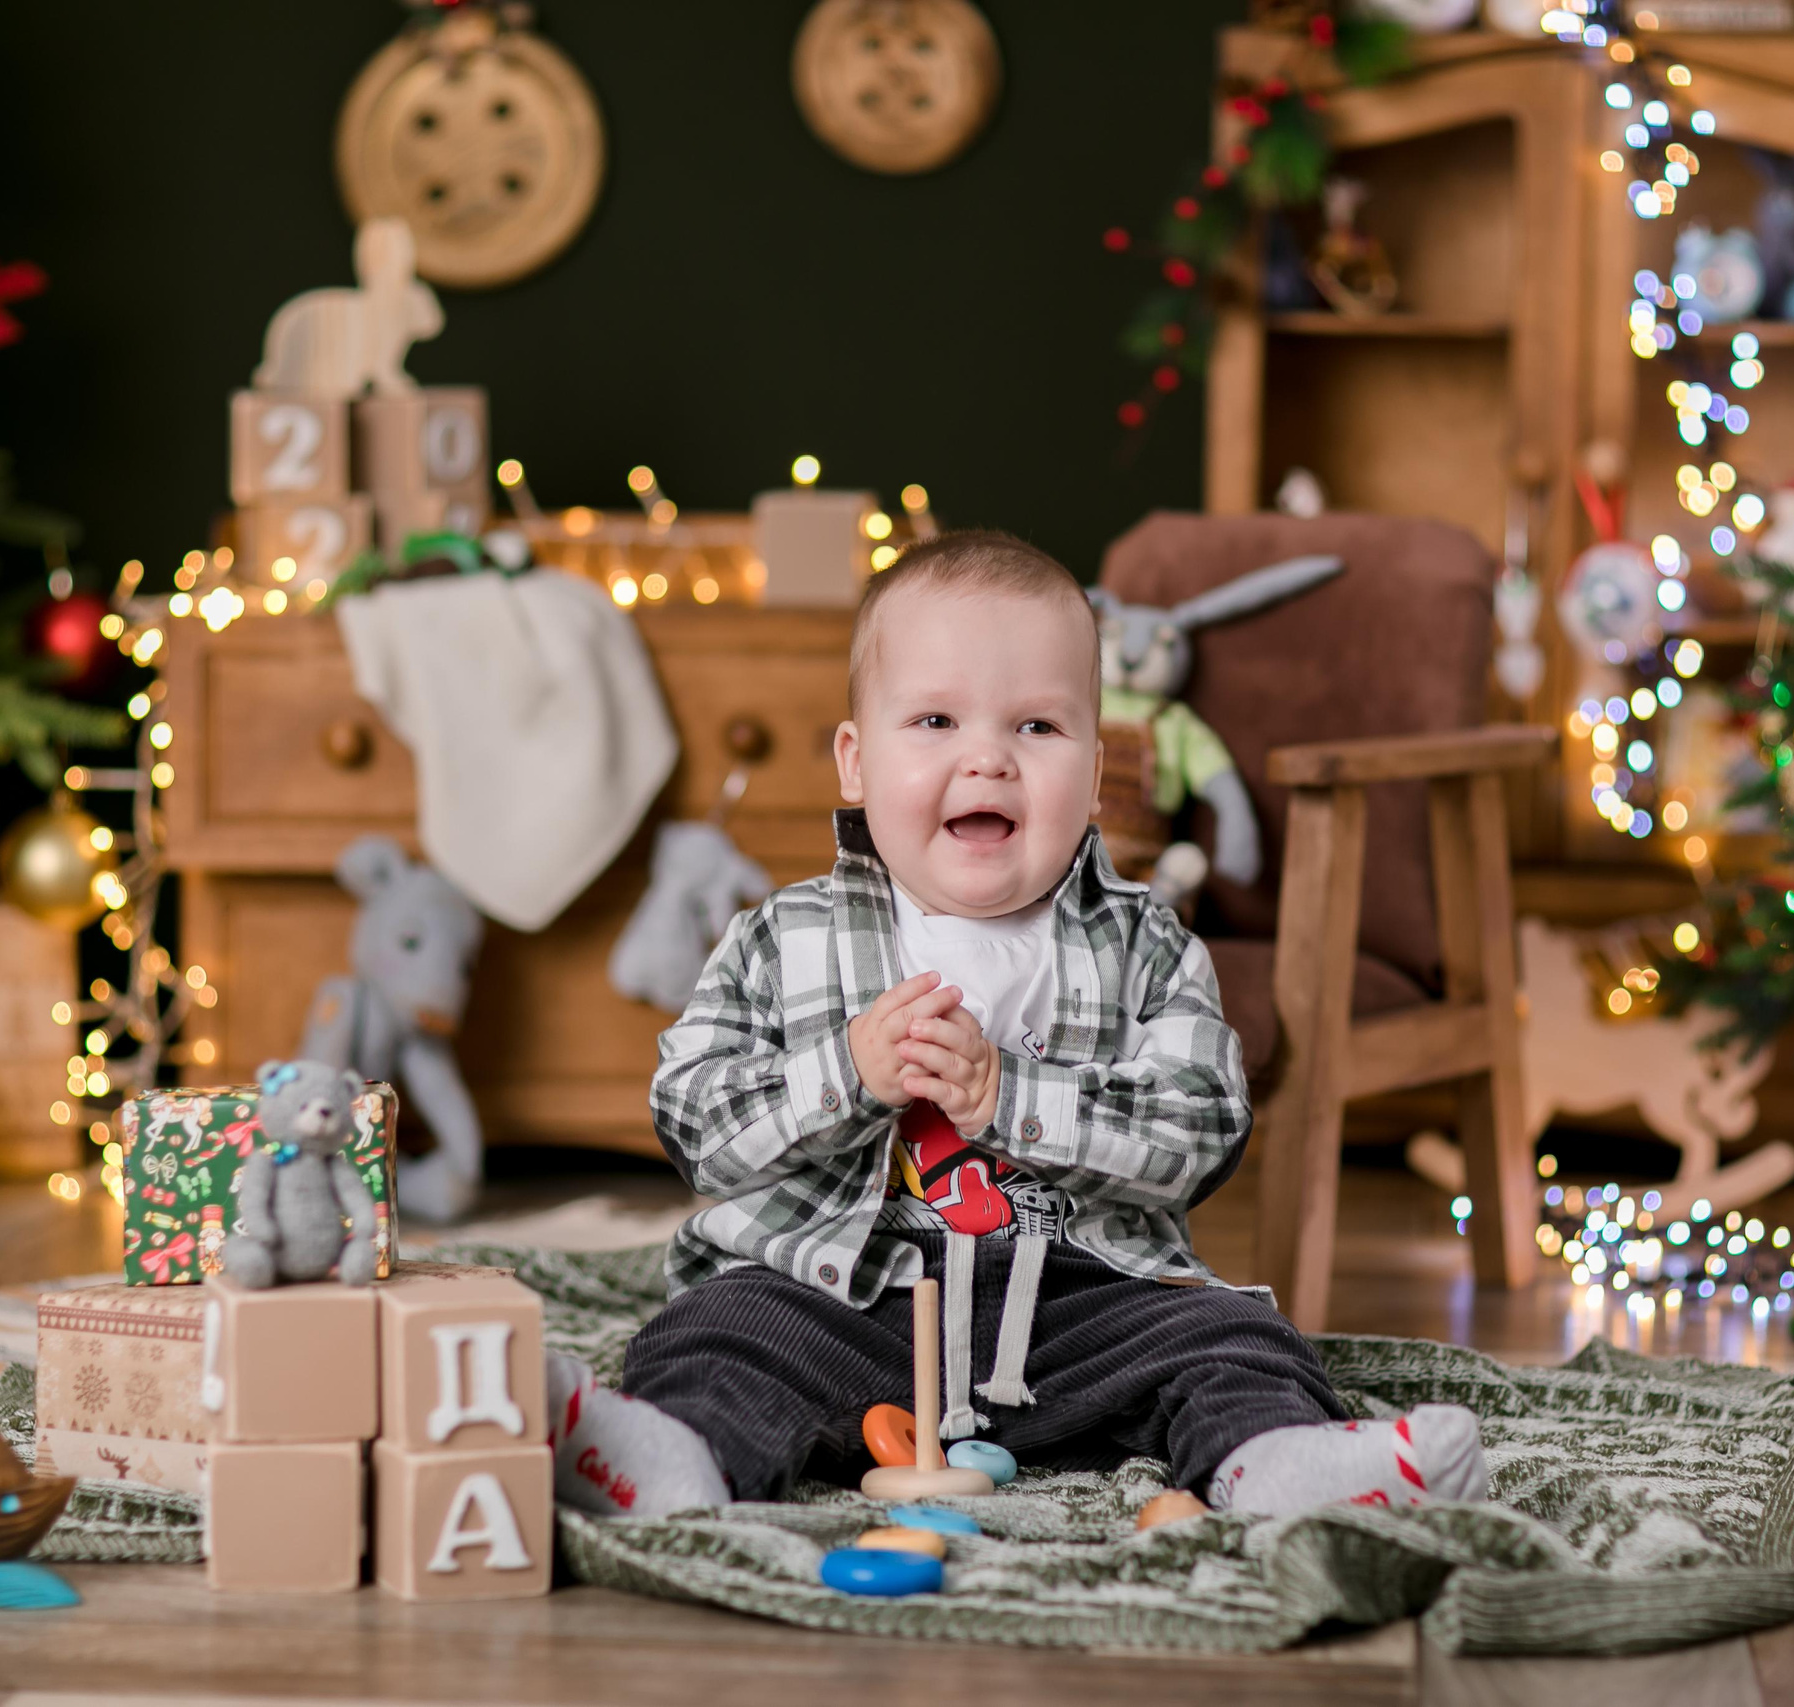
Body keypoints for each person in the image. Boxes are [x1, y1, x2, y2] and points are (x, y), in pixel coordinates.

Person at [547, 530, 1486, 1517]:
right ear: (856, 762)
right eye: (936, 721)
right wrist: (845, 1075)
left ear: (1093, 773)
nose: (987, 759)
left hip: (1079, 1306)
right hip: (841, 1295)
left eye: (1036, 728)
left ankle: (1275, 1466)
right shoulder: (782, 940)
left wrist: (1009, 1098)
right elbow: (693, 1123)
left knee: (1234, 1337)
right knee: (716, 1332)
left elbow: (1202, 1127)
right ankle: (669, 1459)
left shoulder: (1146, 947)